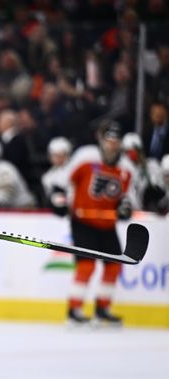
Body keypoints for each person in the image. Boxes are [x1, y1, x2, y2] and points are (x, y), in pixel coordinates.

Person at [57, 120, 133, 325]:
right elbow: (63, 182)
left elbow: (127, 197)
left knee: (114, 266)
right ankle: (74, 310)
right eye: (109, 139)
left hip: (107, 224)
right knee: (86, 265)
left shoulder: (126, 167)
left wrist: (126, 207)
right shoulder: (86, 156)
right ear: (101, 139)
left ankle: (102, 309)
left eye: (116, 140)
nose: (112, 144)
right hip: (82, 221)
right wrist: (60, 201)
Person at [41, 136, 73, 216]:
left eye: (61, 155)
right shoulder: (47, 177)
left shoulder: (74, 171)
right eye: (55, 155)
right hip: (56, 212)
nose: (58, 159)